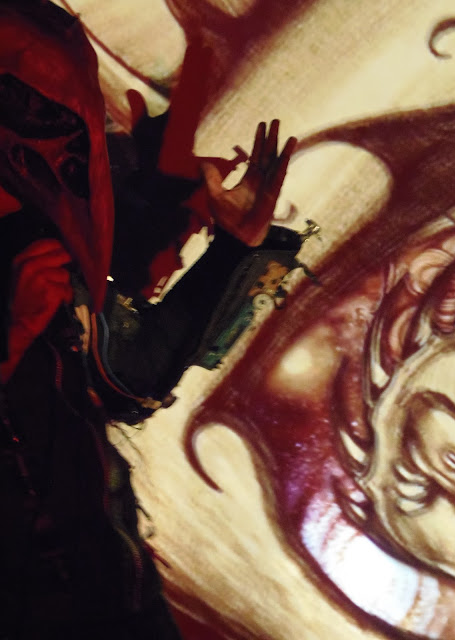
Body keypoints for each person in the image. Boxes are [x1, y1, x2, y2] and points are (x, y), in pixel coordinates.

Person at [0, 1, 295, 637]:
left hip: (117, 601)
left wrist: (235, 250)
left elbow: (127, 377)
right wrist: (13, 337)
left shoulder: (41, 236)